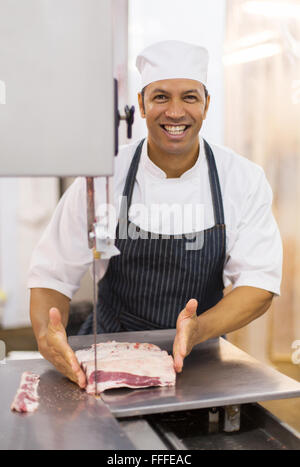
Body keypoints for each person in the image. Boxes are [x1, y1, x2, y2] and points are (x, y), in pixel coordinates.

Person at [28, 40, 282, 390]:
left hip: (200, 361)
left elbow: (259, 283)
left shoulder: (241, 178)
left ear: (207, 105)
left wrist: (198, 330)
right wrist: (47, 333)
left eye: (189, 97)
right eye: (161, 96)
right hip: (108, 357)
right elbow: (51, 273)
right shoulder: (104, 176)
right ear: (142, 106)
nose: (175, 112)